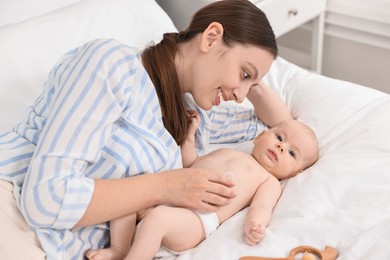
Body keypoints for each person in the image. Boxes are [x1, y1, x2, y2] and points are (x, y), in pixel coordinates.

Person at [0, 0, 285, 259]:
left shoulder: (196, 117)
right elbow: (45, 199)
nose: (240, 95)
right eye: (244, 73)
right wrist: (167, 187)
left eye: (251, 83)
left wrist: (251, 84)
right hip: (15, 217)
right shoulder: (113, 64)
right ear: (211, 38)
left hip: (69, 249)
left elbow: (279, 127)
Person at [85, 105, 319, 259]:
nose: (281, 146)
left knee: (157, 220)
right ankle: (119, 248)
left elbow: (262, 207)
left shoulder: (268, 181)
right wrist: (189, 137)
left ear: (292, 174)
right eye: (279, 137)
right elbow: (192, 163)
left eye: (291, 154)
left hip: (196, 220)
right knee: (129, 196)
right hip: (171, 197)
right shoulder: (229, 151)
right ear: (259, 137)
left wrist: (256, 224)